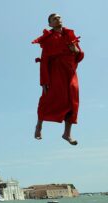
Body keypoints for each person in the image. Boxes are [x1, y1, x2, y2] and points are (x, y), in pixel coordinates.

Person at [32, 13, 84, 145]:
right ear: (50, 24)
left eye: (59, 17)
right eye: (54, 18)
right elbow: (44, 61)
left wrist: (76, 50)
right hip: (55, 72)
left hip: (70, 72)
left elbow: (79, 55)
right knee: (48, 97)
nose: (58, 19)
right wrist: (44, 81)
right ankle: (39, 126)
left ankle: (67, 133)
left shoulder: (69, 35)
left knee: (72, 100)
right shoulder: (48, 38)